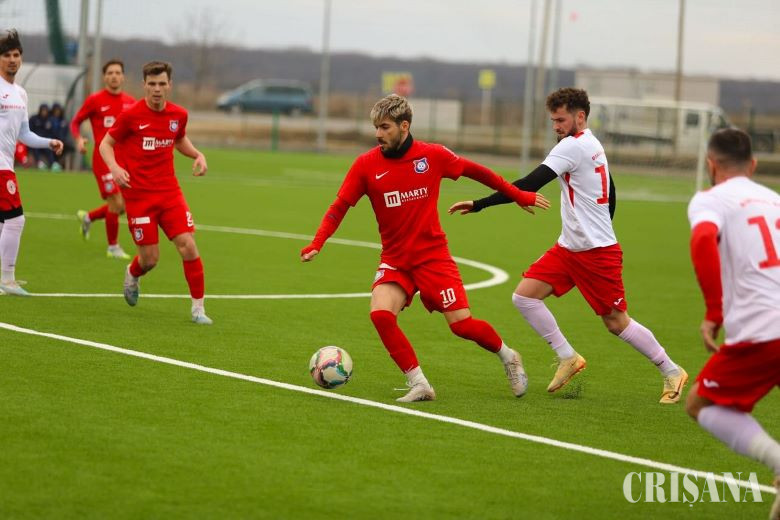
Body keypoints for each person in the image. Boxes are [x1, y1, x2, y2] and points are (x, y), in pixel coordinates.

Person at [300, 94, 550, 402]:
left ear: (404, 126)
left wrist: (518, 195)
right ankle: (419, 383)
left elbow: (478, 172)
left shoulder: (432, 156)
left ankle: (509, 356)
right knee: (381, 314)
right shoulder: (365, 165)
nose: (378, 134)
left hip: (433, 258)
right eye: (376, 127)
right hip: (396, 260)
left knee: (462, 326)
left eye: (385, 127)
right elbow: (339, 206)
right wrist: (318, 242)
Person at [449, 87, 687, 403]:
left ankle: (672, 370)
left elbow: (529, 184)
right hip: (569, 248)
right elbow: (612, 190)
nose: (556, 126)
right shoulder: (591, 143)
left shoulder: (572, 147)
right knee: (525, 297)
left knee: (616, 322)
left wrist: (481, 204)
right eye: (553, 121)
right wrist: (594, 225)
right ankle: (568, 357)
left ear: (580, 116)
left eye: (561, 120)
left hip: (596, 253)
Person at [685, 128, 780, 519]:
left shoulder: (710, 198)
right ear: (753, 165)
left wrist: (714, 312)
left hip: (764, 330)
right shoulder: (775, 200)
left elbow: (702, 240)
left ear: (711, 165)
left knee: (700, 403)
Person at [99, 61, 211, 324]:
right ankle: (133, 273)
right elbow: (106, 144)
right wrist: (114, 168)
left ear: (169, 85)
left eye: (162, 84)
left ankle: (198, 309)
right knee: (150, 259)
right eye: (152, 84)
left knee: (188, 246)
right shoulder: (131, 115)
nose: (157, 89)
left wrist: (197, 154)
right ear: (144, 85)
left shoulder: (178, 115)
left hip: (170, 193)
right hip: (138, 197)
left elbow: (179, 139)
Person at [0, 29, 64, 296]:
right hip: (0, 168)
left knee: (4, 222)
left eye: (16, 55)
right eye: (6, 55)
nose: (12, 60)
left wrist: (49, 142)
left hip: (6, 164)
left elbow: (24, 134)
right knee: (16, 220)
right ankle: (8, 279)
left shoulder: (21, 94)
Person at [71, 59, 135, 259]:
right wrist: (79, 139)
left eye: (118, 72)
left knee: (123, 206)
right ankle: (112, 247)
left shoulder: (131, 102)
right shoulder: (95, 100)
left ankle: (88, 217)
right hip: (103, 161)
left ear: (123, 77)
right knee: (116, 202)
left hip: (124, 161)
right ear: (104, 77)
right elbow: (75, 122)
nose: (114, 76)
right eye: (110, 73)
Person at [28, 103, 54, 169]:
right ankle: (39, 163)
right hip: (35, 140)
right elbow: (29, 131)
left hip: (45, 140)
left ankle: (53, 164)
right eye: (43, 110)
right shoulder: (34, 119)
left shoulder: (50, 120)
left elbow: (51, 132)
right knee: (35, 147)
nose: (44, 112)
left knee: (50, 147)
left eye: (45, 110)